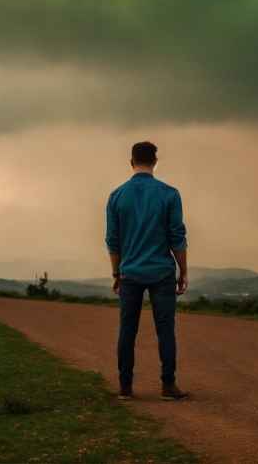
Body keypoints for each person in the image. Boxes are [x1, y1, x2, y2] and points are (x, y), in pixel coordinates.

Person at [105, 141, 189, 401]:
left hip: (129, 272)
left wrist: (116, 274)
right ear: (155, 162)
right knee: (165, 330)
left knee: (127, 330)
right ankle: (167, 386)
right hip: (162, 272)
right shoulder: (170, 194)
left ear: (132, 162)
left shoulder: (116, 196)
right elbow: (177, 238)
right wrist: (183, 271)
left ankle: (125, 387)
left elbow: (113, 241)